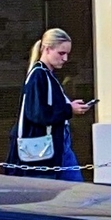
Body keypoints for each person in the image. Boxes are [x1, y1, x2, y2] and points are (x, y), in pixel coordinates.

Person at [19, 28, 92, 182]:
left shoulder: (43, 74)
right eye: (61, 53)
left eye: (67, 54)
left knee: (72, 187)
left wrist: (69, 107)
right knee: (73, 188)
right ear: (47, 49)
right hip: (47, 145)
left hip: (54, 142)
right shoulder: (39, 75)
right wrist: (69, 109)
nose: (65, 58)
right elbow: (38, 113)